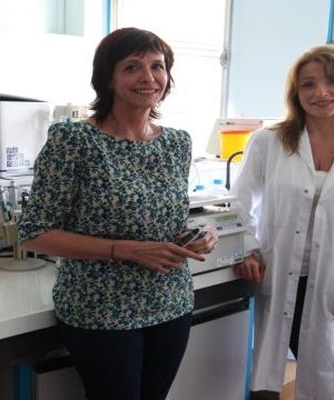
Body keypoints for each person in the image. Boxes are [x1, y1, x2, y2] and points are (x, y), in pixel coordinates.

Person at [18, 27, 218, 400]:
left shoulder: (177, 143)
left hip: (170, 302)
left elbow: (163, 218)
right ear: (107, 78)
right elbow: (34, 233)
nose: (148, 78)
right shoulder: (74, 141)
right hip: (101, 309)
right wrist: (124, 249)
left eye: (157, 66)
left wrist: (196, 233)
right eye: (131, 67)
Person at [231, 44, 334, 400]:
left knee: (330, 374)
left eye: (333, 81)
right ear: (296, 93)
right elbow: (240, 202)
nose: (321, 92)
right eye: (308, 84)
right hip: (279, 269)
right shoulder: (269, 142)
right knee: (269, 376)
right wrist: (248, 249)